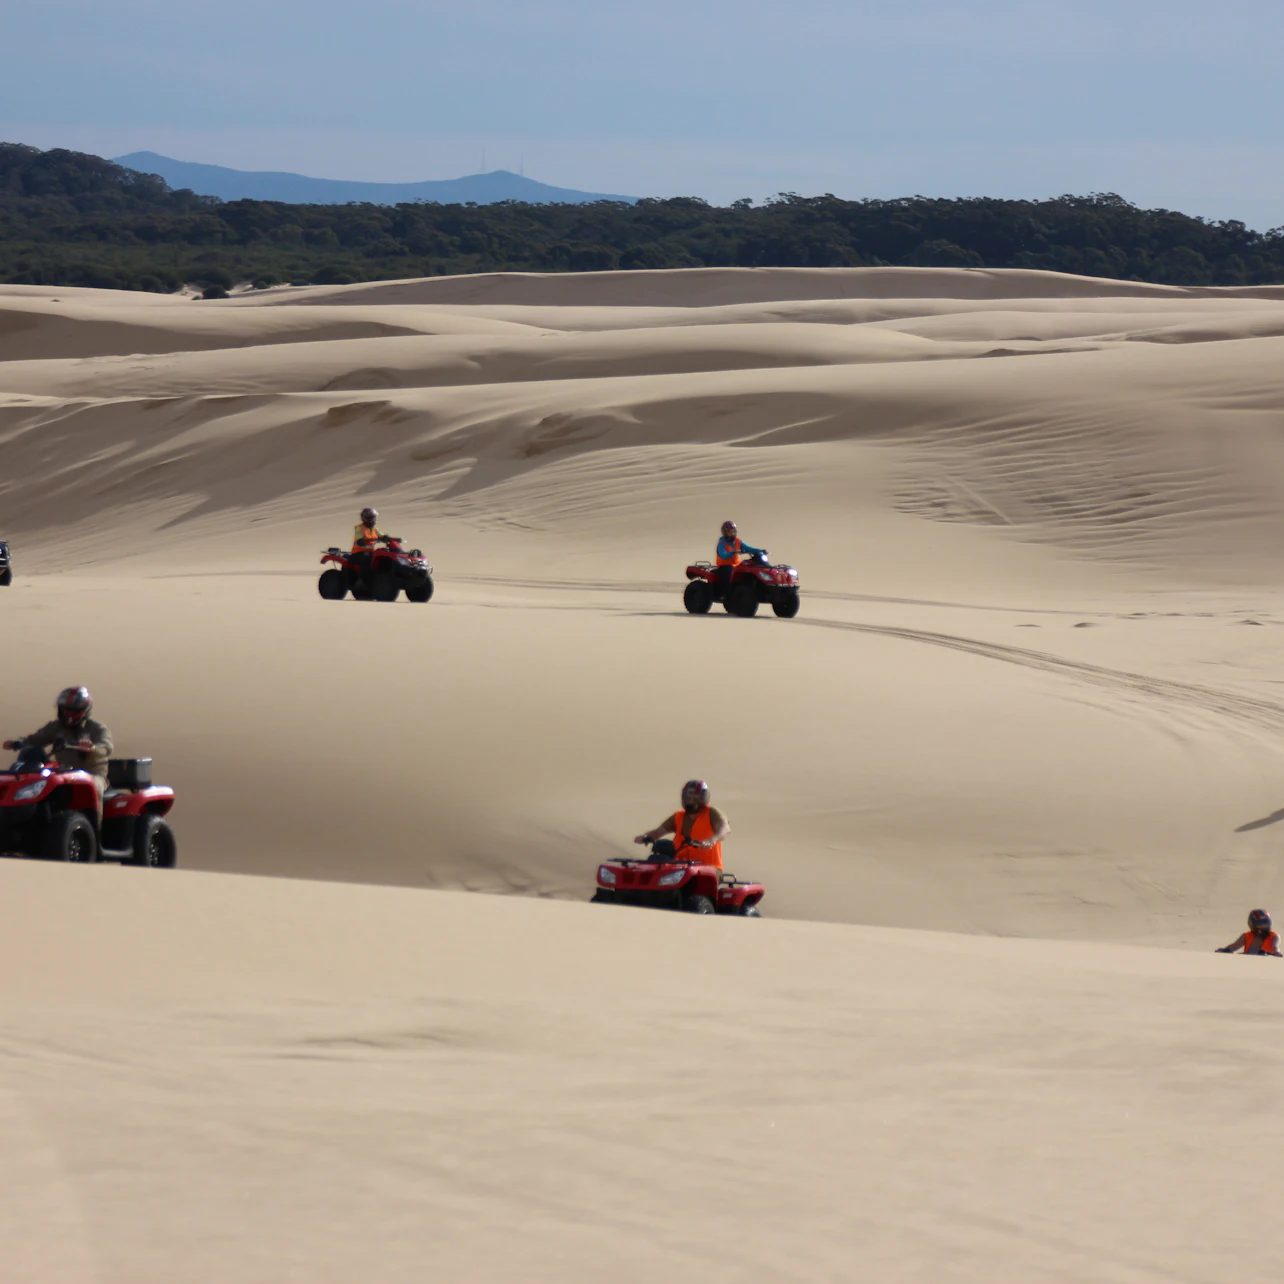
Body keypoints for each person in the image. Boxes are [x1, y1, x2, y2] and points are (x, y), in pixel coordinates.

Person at [3, 687, 113, 808]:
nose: (68, 714)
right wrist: (17, 743)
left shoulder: (96, 728)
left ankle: (95, 824)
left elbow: (106, 747)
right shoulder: (56, 727)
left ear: (82, 710)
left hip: (92, 774)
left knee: (94, 787)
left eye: (71, 711)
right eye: (65, 710)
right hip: (63, 772)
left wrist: (92, 748)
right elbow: (36, 739)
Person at [634, 779, 731, 869]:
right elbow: (659, 832)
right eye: (689, 797)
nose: (692, 799)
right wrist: (646, 837)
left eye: (696, 797)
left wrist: (712, 840)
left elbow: (725, 829)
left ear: (703, 798)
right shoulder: (678, 816)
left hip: (709, 868)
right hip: (681, 867)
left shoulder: (712, 813)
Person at [715, 520, 765, 595]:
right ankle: (728, 595)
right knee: (729, 573)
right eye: (730, 532)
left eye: (733, 531)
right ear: (725, 533)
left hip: (737, 565)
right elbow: (723, 555)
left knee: (749, 569)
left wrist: (761, 551)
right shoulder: (722, 543)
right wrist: (733, 552)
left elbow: (749, 549)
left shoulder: (737, 541)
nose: (732, 533)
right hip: (724, 566)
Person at [1216, 908, 1282, 956]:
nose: (1263, 926)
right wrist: (1224, 950)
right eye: (1260, 924)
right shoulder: (1246, 936)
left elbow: (1275, 947)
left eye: (1265, 923)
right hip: (1247, 965)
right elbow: (1233, 947)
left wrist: (1277, 952)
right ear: (1252, 924)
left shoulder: (1274, 936)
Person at [350, 507, 386, 577]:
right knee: (367, 563)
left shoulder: (374, 529)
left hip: (370, 552)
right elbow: (359, 540)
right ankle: (365, 581)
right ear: (364, 519)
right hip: (358, 553)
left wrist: (393, 539)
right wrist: (371, 540)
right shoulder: (359, 528)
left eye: (373, 518)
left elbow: (382, 535)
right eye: (369, 518)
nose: (372, 520)